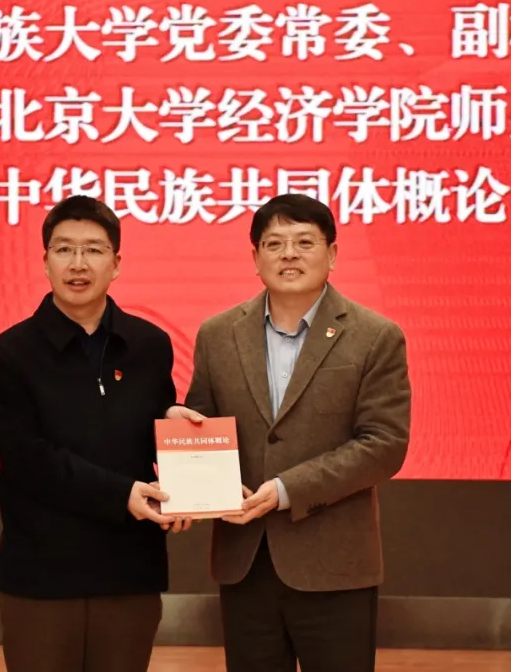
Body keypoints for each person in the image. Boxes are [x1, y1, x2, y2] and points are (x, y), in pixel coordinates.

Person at [179, 193, 412, 672]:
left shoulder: (375, 336)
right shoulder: (218, 334)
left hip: (334, 564)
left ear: (332, 253)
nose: (289, 254)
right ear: (255, 257)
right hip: (245, 561)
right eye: (274, 243)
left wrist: (287, 489)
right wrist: (186, 451)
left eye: (305, 242)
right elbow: (202, 422)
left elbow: (384, 445)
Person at [0, 195, 192, 672]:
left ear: (116, 263)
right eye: (64, 249)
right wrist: (122, 494)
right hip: (43, 575)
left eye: (94, 250)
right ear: (46, 262)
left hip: (130, 571)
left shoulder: (149, 345)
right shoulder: (9, 354)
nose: (78, 263)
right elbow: (28, 459)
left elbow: (151, 434)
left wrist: (185, 476)